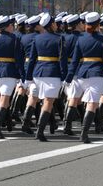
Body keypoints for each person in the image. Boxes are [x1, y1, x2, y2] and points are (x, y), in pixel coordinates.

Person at [65, 12, 103, 144]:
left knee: (78, 100)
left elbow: (74, 61)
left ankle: (74, 127)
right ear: (98, 25)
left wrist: (69, 78)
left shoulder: (81, 39)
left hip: (82, 74)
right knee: (92, 104)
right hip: (97, 74)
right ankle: (84, 134)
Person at [25, 13, 67, 141]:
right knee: (48, 102)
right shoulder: (59, 39)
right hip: (52, 73)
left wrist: (28, 77)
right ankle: (40, 131)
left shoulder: (37, 39)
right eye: (54, 23)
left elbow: (32, 59)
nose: (56, 25)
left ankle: (35, 126)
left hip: (38, 73)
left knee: (39, 100)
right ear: (51, 25)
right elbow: (62, 60)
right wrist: (64, 76)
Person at [0, 15, 25, 139]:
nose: (13, 27)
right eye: (11, 25)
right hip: (9, 72)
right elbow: (18, 60)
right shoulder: (14, 39)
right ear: (7, 27)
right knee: (4, 100)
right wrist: (22, 76)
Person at [61, 14, 85, 135]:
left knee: (77, 98)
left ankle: (85, 121)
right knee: (74, 98)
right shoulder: (82, 37)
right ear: (77, 25)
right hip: (79, 69)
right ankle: (67, 125)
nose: (83, 25)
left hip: (68, 68)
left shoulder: (64, 37)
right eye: (81, 23)